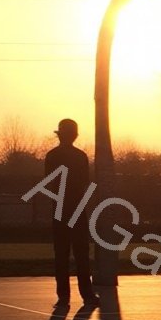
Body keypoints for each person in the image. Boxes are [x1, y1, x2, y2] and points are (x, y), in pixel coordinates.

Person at [45, 119, 98, 309]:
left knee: (61, 254)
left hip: (61, 209)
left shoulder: (52, 156)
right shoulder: (80, 156)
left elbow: (50, 183)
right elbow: (84, 182)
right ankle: (87, 294)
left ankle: (64, 297)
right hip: (76, 207)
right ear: (74, 135)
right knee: (81, 254)